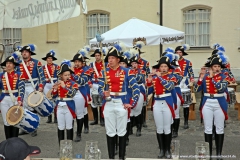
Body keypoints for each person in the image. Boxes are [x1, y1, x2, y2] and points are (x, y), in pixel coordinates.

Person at [98, 44, 140, 159]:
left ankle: (121, 157)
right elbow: (100, 88)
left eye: (112, 58)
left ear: (118, 60)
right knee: (110, 131)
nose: (110, 60)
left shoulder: (127, 71)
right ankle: (111, 157)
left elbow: (136, 88)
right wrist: (103, 93)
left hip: (122, 102)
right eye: (109, 58)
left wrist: (132, 103)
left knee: (122, 131)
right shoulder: (104, 72)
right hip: (109, 102)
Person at [195, 55, 228, 159]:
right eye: (215, 66)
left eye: (218, 66)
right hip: (207, 102)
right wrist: (200, 77)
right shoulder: (205, 76)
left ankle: (218, 153)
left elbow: (221, 89)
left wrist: (212, 77)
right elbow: (196, 89)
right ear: (211, 67)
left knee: (219, 128)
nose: (217, 68)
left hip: (219, 102)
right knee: (208, 128)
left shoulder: (224, 76)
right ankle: (208, 154)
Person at [147, 53, 177, 159]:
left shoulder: (172, 77)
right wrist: (149, 81)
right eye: (161, 66)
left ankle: (168, 149)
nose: (163, 68)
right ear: (159, 67)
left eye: (165, 66)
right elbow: (149, 91)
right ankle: (161, 149)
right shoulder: (155, 78)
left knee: (167, 128)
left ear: (168, 68)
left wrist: (160, 78)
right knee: (159, 128)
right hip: (157, 103)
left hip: (167, 102)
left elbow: (169, 87)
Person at [17, 44, 46, 137]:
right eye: (23, 52)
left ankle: (34, 127)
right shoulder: (18, 63)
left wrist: (41, 86)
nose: (24, 53)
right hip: (22, 86)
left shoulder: (37, 62)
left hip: (33, 86)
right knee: (23, 107)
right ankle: (26, 127)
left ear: (30, 53)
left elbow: (42, 77)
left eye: (26, 52)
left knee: (33, 107)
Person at [52, 61, 78, 146]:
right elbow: (53, 96)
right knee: (60, 126)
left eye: (68, 75)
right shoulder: (59, 83)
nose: (67, 76)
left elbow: (72, 93)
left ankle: (69, 147)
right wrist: (55, 89)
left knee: (69, 126)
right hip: (60, 106)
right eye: (65, 75)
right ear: (61, 75)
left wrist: (64, 87)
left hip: (68, 106)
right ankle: (61, 147)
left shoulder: (73, 83)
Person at [0, 55, 25, 139]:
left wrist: (20, 99)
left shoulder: (19, 75)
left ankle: (15, 140)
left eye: (10, 63)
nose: (8, 65)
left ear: (14, 65)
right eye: (7, 63)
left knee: (15, 120)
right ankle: (8, 141)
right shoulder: (1, 75)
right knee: (6, 121)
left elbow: (21, 88)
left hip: (14, 99)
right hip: (4, 99)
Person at [71, 50, 91, 142]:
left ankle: (78, 133)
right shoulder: (71, 70)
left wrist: (72, 74)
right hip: (70, 92)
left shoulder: (86, 70)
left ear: (82, 63)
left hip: (80, 92)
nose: (77, 63)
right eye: (75, 62)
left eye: (78, 62)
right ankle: (70, 132)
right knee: (70, 112)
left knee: (80, 113)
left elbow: (82, 81)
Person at [175, 44, 194, 129]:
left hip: (184, 83)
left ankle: (186, 121)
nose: (179, 54)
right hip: (176, 82)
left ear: (182, 53)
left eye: (180, 52)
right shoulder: (172, 61)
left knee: (186, 104)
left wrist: (192, 79)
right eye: (177, 52)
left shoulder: (187, 62)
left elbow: (191, 72)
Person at [132, 40, 150, 128]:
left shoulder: (145, 62)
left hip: (141, 84)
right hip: (133, 86)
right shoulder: (130, 63)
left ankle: (143, 121)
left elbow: (148, 73)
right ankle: (134, 122)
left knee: (142, 104)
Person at [129, 54, 145, 137]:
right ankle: (130, 128)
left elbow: (139, 79)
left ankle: (139, 128)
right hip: (130, 90)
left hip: (139, 90)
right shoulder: (128, 71)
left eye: (135, 63)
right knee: (130, 110)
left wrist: (132, 75)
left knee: (138, 110)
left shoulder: (141, 71)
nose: (134, 65)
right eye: (132, 63)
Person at [42, 50, 59, 123]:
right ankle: (49, 117)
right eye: (48, 58)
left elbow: (58, 76)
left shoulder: (56, 66)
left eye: (51, 58)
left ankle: (56, 117)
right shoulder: (43, 67)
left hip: (53, 84)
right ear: (46, 59)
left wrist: (57, 85)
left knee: (55, 101)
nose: (49, 59)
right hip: (46, 84)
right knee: (48, 100)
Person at [89, 49, 105, 126]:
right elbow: (88, 75)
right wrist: (89, 83)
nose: (97, 57)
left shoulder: (105, 64)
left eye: (98, 55)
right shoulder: (91, 65)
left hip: (101, 84)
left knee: (102, 101)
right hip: (93, 84)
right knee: (93, 102)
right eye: (96, 55)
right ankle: (95, 119)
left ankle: (102, 119)